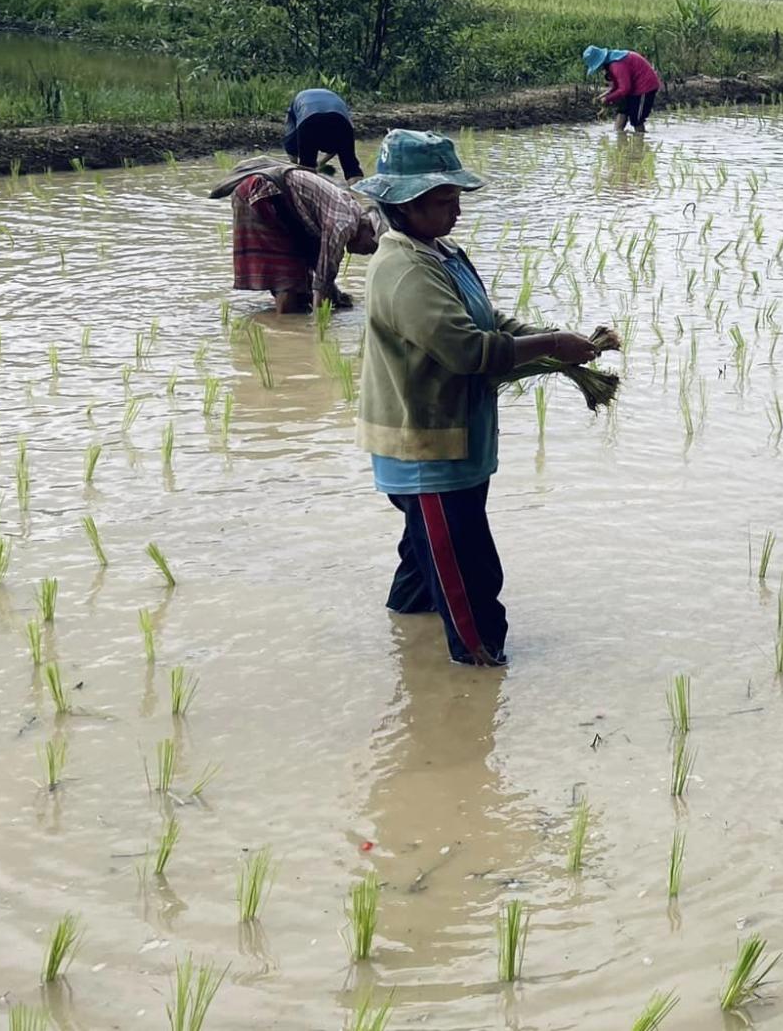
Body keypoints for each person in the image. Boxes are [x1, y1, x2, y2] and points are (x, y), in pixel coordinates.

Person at [355, 130, 612, 667]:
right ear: (405, 204)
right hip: (426, 450)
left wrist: (556, 342)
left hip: (454, 440)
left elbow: (489, 323)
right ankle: (477, 678)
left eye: (456, 198)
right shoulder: (404, 268)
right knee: (469, 580)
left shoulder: (440, 253)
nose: (456, 211)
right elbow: (465, 348)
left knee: (426, 570)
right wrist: (547, 345)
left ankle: (407, 649)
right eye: (444, 201)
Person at [218, 157, 382, 313]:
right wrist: (319, 322)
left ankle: (286, 317)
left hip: (260, 190)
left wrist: (334, 296)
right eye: (369, 248)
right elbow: (324, 276)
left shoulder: (349, 209)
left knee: (300, 278)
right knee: (289, 276)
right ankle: (284, 324)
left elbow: (316, 260)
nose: (365, 252)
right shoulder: (343, 223)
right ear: (368, 229)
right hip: (261, 194)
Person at [284, 88, 363, 179]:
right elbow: (340, 145)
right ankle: (357, 192)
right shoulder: (334, 97)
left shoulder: (292, 110)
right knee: (351, 167)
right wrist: (321, 163)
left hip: (309, 119)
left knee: (307, 168)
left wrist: (296, 168)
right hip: (340, 119)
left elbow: (289, 142)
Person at [584, 44, 662, 134]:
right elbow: (617, 86)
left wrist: (607, 99)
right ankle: (619, 135)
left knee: (636, 119)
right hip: (633, 86)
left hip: (644, 86)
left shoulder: (616, 65)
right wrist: (603, 95)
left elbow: (624, 88)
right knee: (622, 109)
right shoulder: (612, 62)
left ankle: (640, 140)